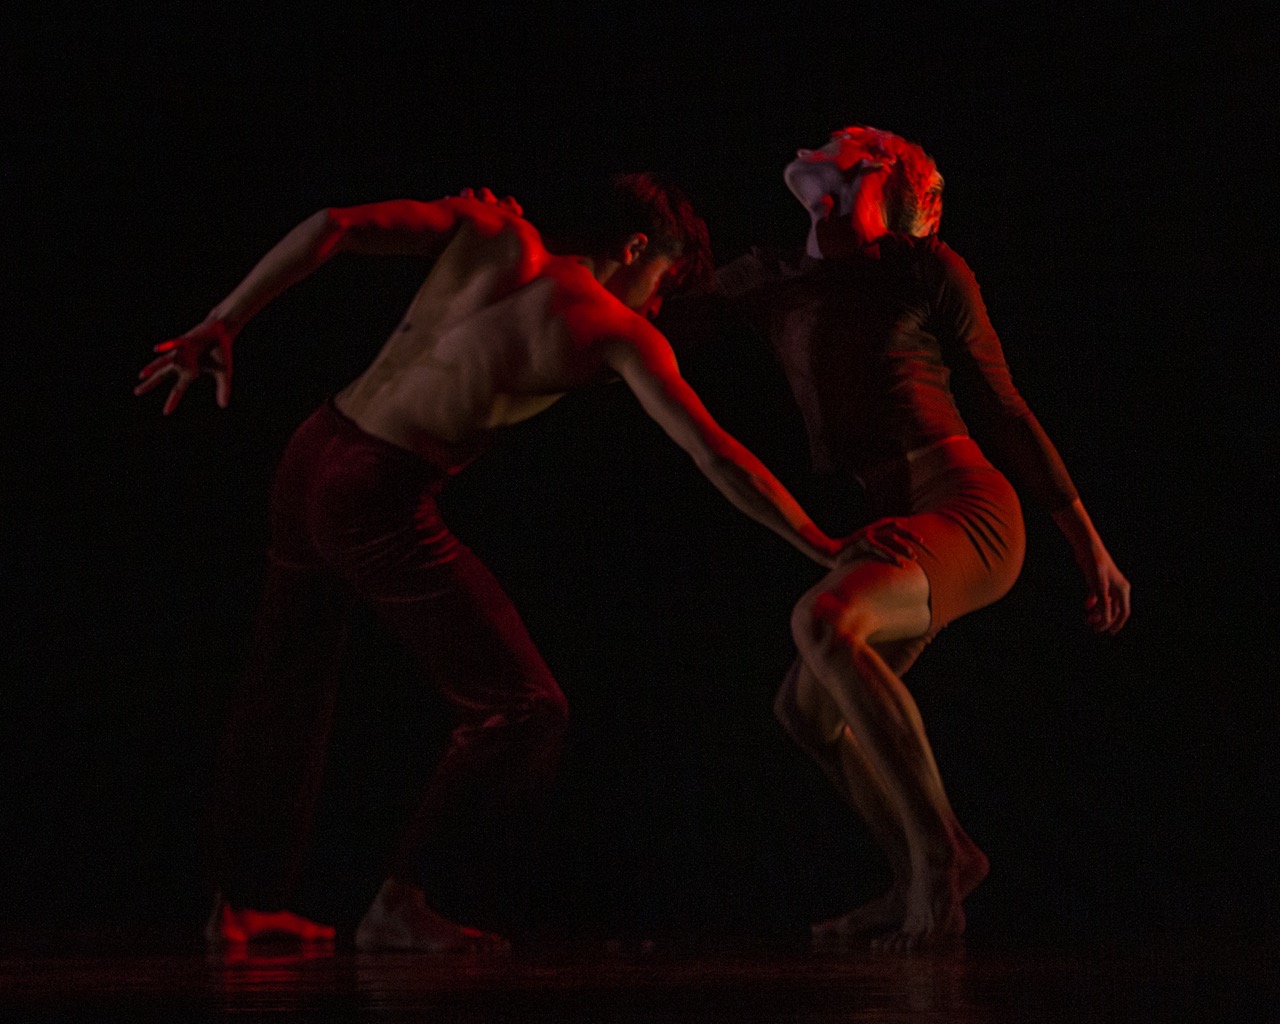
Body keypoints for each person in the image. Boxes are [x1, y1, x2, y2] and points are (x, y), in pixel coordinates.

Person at [137, 177, 851, 952]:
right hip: (377, 489)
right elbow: (716, 454)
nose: (655, 307)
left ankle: (241, 904)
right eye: (663, 284)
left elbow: (331, 223)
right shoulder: (616, 331)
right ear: (638, 249)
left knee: (286, 680)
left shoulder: (493, 234)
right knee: (525, 707)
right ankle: (405, 903)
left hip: (313, 448)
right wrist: (816, 539)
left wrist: (223, 320)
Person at [708, 127, 1131, 951]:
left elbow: (1005, 410)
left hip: (969, 510)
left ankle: (937, 863)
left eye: (846, 137)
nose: (821, 137)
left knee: (825, 622)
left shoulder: (925, 269)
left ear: (880, 169)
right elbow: (638, 312)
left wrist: (1088, 543)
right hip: (892, 517)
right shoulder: (769, 278)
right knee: (805, 711)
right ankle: (918, 868)